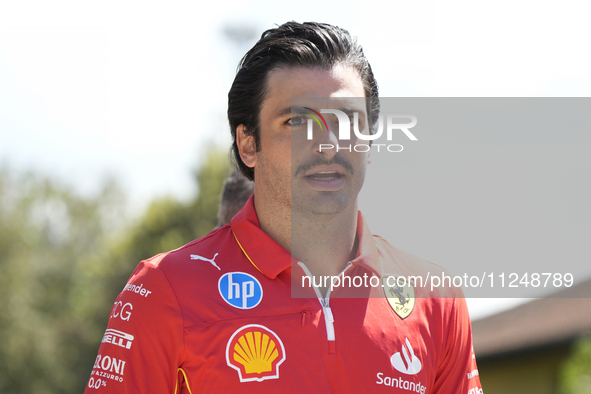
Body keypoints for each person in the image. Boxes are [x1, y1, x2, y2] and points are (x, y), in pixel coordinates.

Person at [85, 22, 483, 393]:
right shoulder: (163, 289)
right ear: (248, 144)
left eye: (347, 120)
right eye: (297, 122)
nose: (328, 144)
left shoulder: (437, 299)